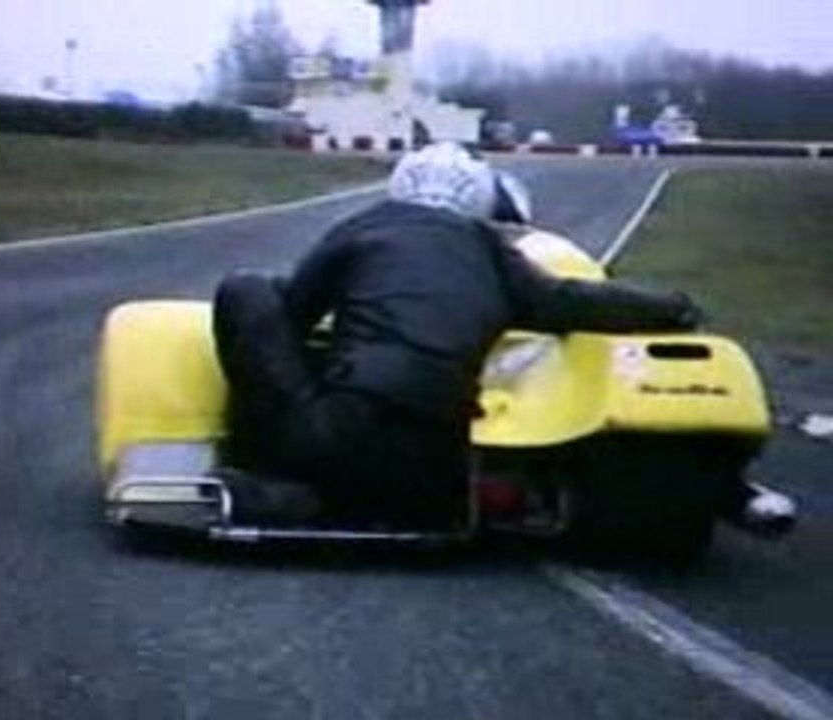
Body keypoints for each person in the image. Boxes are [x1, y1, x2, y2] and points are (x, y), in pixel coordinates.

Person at [212, 142, 793, 533]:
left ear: (400, 185)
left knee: (246, 290)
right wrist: (675, 307)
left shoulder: (363, 227)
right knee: (408, 479)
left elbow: (288, 315)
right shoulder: (491, 248)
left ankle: (257, 468)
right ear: (480, 199)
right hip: (440, 461)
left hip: (337, 430)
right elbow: (569, 302)